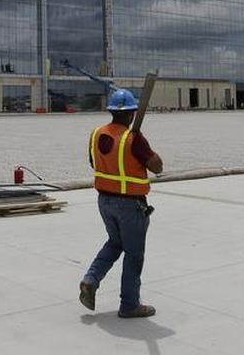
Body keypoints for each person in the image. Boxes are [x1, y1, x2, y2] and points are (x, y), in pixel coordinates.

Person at [79, 88, 164, 317]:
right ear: (131, 114)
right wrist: (142, 146)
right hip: (130, 205)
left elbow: (93, 161)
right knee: (134, 254)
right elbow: (157, 166)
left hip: (104, 202)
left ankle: (91, 279)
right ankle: (129, 304)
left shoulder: (96, 134)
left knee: (115, 243)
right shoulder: (133, 138)